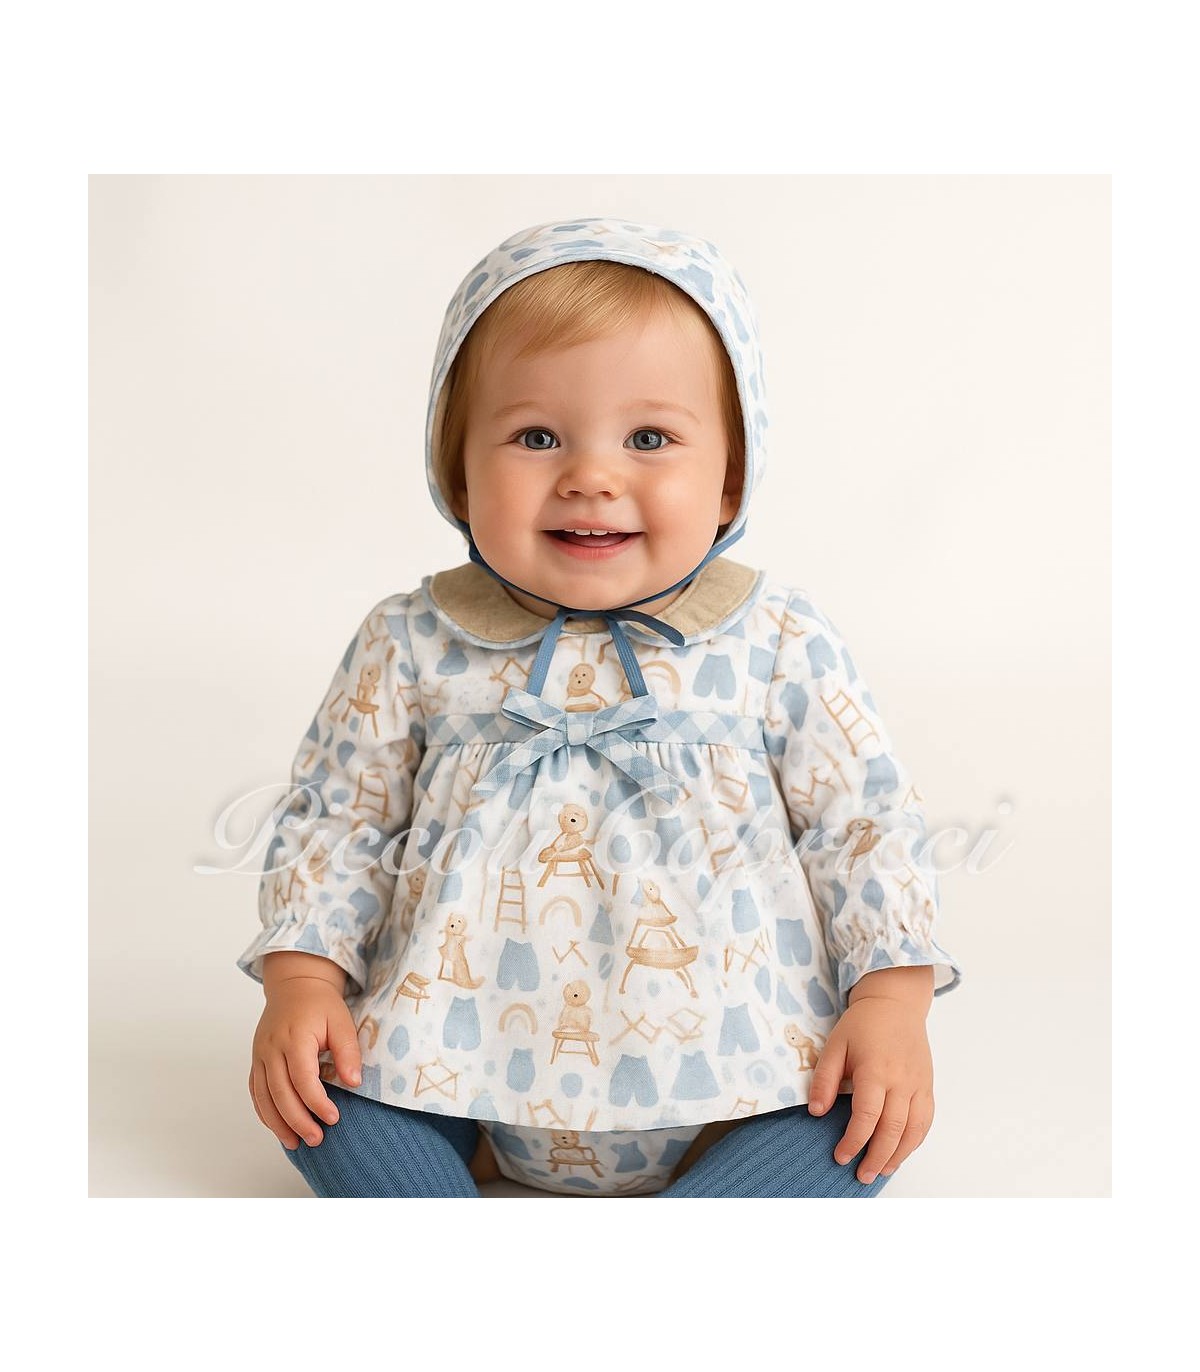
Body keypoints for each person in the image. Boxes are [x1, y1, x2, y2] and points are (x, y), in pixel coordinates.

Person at [238, 216, 963, 1198]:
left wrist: (890, 1001)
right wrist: (304, 981)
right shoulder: (412, 640)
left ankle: (715, 1207)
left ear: (730, 479)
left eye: (649, 438)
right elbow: (339, 819)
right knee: (320, 1097)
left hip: (745, 1071)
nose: (591, 476)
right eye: (536, 437)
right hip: (449, 1063)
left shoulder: (775, 640)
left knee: (855, 1118)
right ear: (457, 472)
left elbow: (864, 821)